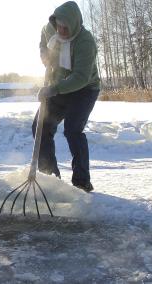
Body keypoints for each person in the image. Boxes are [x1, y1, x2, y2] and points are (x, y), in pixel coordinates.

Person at [34, 1, 100, 192]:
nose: (61, 30)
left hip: (84, 89)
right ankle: (50, 178)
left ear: (74, 24)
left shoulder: (85, 41)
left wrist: (53, 90)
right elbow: (42, 37)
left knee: (73, 130)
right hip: (58, 85)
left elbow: (80, 77)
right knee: (41, 125)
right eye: (58, 26)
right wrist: (44, 52)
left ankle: (82, 181)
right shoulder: (51, 29)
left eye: (65, 27)